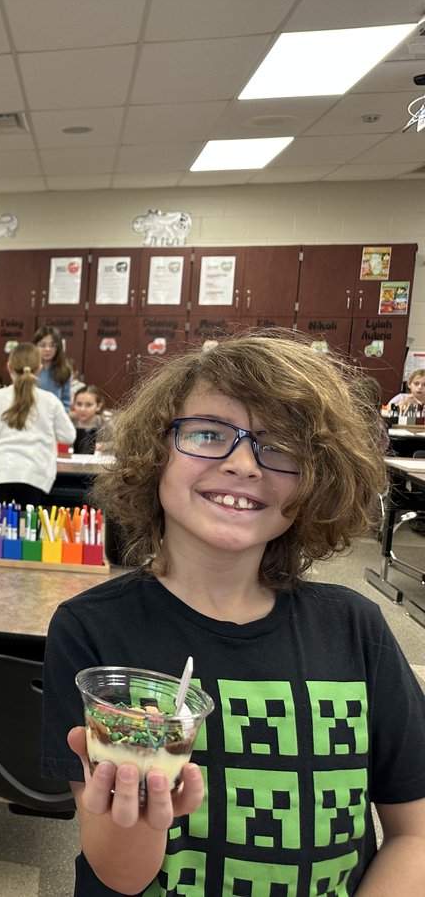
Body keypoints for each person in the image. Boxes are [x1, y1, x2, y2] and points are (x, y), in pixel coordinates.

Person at [40, 331, 425, 895]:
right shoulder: (92, 629)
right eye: (207, 434)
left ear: (316, 478)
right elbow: (120, 874)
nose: (244, 464)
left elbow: (414, 832)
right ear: (155, 453)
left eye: (280, 446)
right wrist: (143, 818)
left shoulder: (355, 629)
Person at [0, 342, 76, 506]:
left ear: (9, 367)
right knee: (30, 528)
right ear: (39, 368)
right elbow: (69, 436)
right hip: (36, 475)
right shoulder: (49, 400)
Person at [33, 325, 75, 408]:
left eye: (52, 345)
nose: (47, 349)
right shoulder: (29, 369)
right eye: (42, 345)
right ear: (35, 346)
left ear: (58, 347)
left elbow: (66, 401)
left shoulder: (65, 371)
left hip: (56, 417)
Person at [69, 384, 113, 454]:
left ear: (98, 406)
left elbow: (118, 444)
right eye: (79, 404)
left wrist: (104, 446)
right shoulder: (68, 421)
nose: (82, 409)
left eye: (88, 405)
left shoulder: (105, 423)